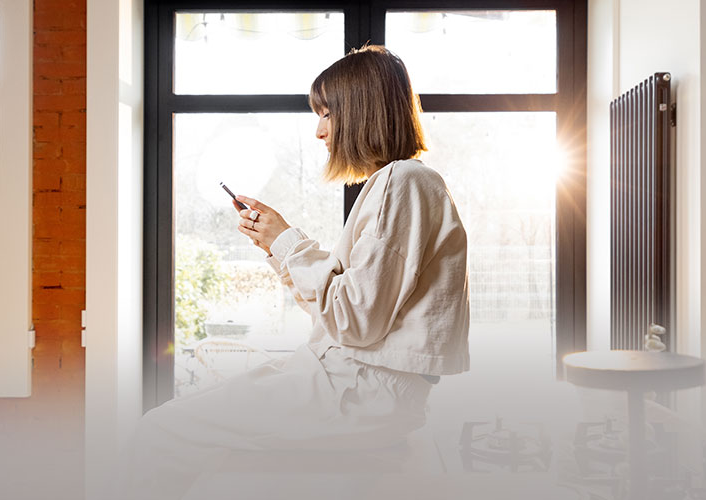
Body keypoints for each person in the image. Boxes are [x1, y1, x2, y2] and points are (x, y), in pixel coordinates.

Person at [123, 45, 471, 500]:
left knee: (160, 431)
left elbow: (354, 320)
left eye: (327, 114)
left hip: (360, 391)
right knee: (179, 425)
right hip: (356, 383)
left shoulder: (402, 182)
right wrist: (278, 245)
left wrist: (287, 241)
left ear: (361, 110)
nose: (319, 131)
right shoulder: (400, 184)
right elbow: (346, 309)